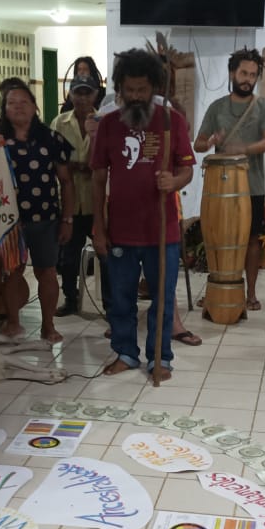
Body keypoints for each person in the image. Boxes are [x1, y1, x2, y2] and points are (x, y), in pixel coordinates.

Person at [92, 49, 196, 380]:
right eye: (129, 90)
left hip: (162, 231)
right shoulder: (108, 125)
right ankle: (126, 352)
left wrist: (174, 181)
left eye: (142, 89)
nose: (136, 96)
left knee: (162, 299)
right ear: (119, 89)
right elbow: (98, 179)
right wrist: (98, 226)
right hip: (121, 230)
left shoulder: (171, 121)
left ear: (154, 88)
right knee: (121, 299)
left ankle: (159, 357)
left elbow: (187, 170)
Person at [194, 48, 265, 311]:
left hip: (252, 187)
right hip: (220, 187)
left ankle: (250, 294)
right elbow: (197, 145)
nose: (248, 79)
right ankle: (216, 291)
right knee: (218, 238)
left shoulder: (263, 107)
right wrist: (211, 141)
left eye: (253, 75)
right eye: (243, 73)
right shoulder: (217, 107)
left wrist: (243, 149)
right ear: (232, 73)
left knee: (252, 240)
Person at [0, 81, 75, 342]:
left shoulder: (51, 139)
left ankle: (48, 325)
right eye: (12, 103)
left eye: (24, 102)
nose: (18, 107)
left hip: (47, 219)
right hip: (9, 222)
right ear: (4, 109)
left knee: (47, 272)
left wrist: (67, 219)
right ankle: (12, 322)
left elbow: (66, 182)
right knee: (12, 273)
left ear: (34, 107)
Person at [52, 73, 106, 317]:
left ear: (95, 95)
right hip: (70, 204)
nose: (83, 98)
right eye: (78, 93)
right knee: (68, 257)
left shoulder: (104, 122)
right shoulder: (59, 123)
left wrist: (84, 166)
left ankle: (110, 305)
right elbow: (52, 159)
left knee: (105, 255)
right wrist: (73, 167)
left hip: (97, 204)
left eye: (87, 93)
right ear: (70, 95)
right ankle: (70, 300)